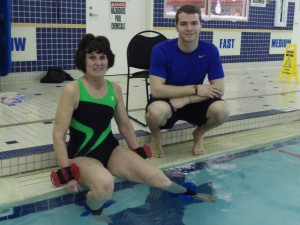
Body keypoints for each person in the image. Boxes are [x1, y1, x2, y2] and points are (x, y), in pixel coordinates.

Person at [52, 33, 215, 217]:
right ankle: (95, 212)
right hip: (81, 155)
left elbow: (125, 127)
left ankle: (190, 194)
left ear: (109, 60)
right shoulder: (73, 89)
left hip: (110, 150)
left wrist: (137, 152)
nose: (98, 62)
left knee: (156, 176)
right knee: (105, 185)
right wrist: (67, 172)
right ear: (84, 61)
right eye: (92, 58)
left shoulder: (114, 88)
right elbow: (58, 134)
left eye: (102, 57)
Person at [146, 5, 230, 158]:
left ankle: (199, 133)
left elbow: (219, 89)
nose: (189, 28)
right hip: (167, 101)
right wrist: (196, 88)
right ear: (176, 27)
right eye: (183, 24)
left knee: (222, 111)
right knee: (154, 113)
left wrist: (187, 99)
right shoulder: (161, 50)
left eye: (194, 23)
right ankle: (156, 135)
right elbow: (157, 90)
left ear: (201, 26)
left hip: (193, 102)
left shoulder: (210, 50)